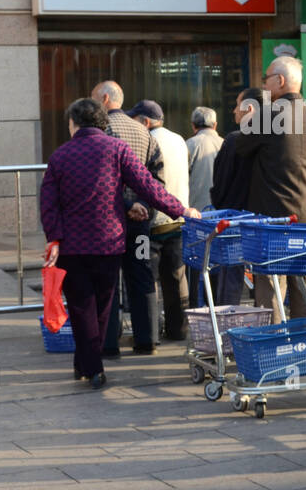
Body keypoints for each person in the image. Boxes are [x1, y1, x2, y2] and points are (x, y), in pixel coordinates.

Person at [40, 99, 198, 388]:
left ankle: (91, 366)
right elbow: (148, 186)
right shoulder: (117, 150)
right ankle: (87, 363)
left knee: (80, 307)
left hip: (72, 246)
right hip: (108, 242)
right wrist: (180, 209)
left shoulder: (60, 156)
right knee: (102, 306)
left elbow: (48, 204)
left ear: (75, 124)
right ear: (103, 122)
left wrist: (54, 237)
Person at [234, 57, 306, 320]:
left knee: (271, 286)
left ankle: (273, 351)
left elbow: (241, 148)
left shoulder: (267, 116)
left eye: (266, 78)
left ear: (280, 81)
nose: (264, 84)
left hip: (272, 218)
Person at [91, 81, 162, 356]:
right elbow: (157, 178)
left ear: (105, 99)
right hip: (141, 225)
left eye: (94, 98)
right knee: (142, 275)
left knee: (108, 280)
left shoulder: (100, 131)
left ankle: (109, 344)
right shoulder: (144, 133)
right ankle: (147, 340)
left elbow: (101, 181)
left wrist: (126, 204)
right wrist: (143, 205)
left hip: (109, 225)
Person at [131, 100, 191, 342]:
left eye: (135, 121)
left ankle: (150, 334)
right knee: (176, 277)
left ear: (145, 121)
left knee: (147, 278)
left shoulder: (147, 141)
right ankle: (179, 330)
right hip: (177, 220)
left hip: (151, 225)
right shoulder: (179, 139)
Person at [206, 87, 264, 307]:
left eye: (237, 106)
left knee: (231, 275)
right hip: (264, 218)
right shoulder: (274, 140)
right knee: (265, 275)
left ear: (249, 109)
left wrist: (219, 204)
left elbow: (220, 181)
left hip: (234, 217)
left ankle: (227, 324)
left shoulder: (235, 140)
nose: (233, 111)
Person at [185, 106, 223, 212]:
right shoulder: (226, 143)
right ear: (215, 125)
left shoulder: (190, 144)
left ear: (193, 125)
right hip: (223, 212)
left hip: (196, 212)